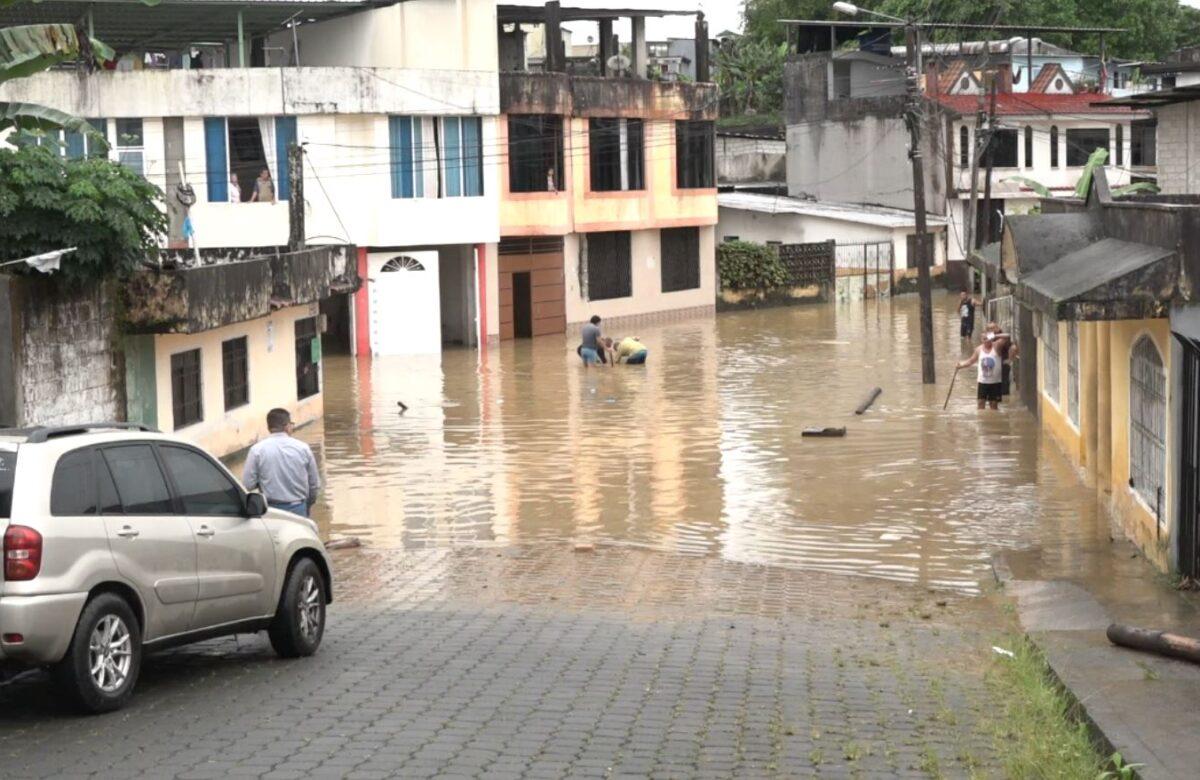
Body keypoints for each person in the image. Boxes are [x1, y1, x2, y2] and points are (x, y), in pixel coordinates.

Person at [242, 408, 321, 517]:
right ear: (287, 426)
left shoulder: (256, 450)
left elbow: (247, 484)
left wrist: (263, 480)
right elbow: (314, 484)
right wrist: (308, 504)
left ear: (269, 428)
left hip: (271, 510)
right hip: (298, 508)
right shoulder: (303, 448)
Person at [957, 334, 1003, 410]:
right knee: (980, 403)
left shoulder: (996, 346)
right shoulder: (978, 349)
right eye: (984, 339)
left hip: (995, 382)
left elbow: (1006, 337)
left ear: (991, 338)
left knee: (994, 405)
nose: (987, 340)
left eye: (988, 338)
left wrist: (995, 335)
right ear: (981, 340)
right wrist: (961, 365)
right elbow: (971, 361)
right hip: (982, 382)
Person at [986, 321, 1020, 397]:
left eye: (993, 328)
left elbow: (1008, 337)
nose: (992, 330)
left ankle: (1005, 402)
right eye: (990, 328)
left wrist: (1009, 360)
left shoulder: (1001, 336)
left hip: (1003, 363)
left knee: (1004, 388)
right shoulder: (987, 337)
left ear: (997, 327)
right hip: (993, 364)